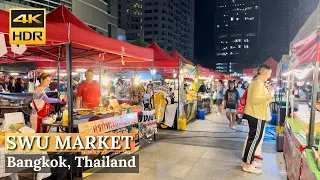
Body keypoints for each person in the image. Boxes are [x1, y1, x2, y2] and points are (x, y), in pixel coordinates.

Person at [242, 65, 273, 174]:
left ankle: (250, 161)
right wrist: (269, 96)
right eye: (269, 73)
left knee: (254, 139)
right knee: (254, 139)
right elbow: (255, 99)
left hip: (256, 114)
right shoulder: (258, 84)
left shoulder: (256, 83)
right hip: (257, 115)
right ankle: (247, 164)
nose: (270, 76)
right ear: (264, 73)